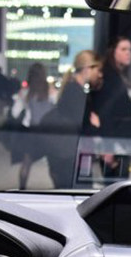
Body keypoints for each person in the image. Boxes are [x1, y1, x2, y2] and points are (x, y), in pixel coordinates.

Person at [38, 50, 102, 188]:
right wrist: (95, 126)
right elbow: (80, 127)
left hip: (65, 157)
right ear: (87, 69)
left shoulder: (71, 89)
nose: (99, 74)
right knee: (79, 194)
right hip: (70, 159)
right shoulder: (76, 94)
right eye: (97, 69)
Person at [4, 62, 56, 189]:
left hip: (31, 133)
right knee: (54, 164)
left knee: (26, 164)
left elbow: (15, 113)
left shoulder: (26, 92)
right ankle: (58, 190)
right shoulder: (51, 91)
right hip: (48, 132)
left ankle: (22, 189)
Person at [93, 36, 131, 139]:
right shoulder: (107, 76)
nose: (128, 53)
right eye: (123, 49)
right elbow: (106, 110)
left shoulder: (122, 76)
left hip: (122, 134)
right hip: (113, 136)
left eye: (130, 49)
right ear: (113, 51)